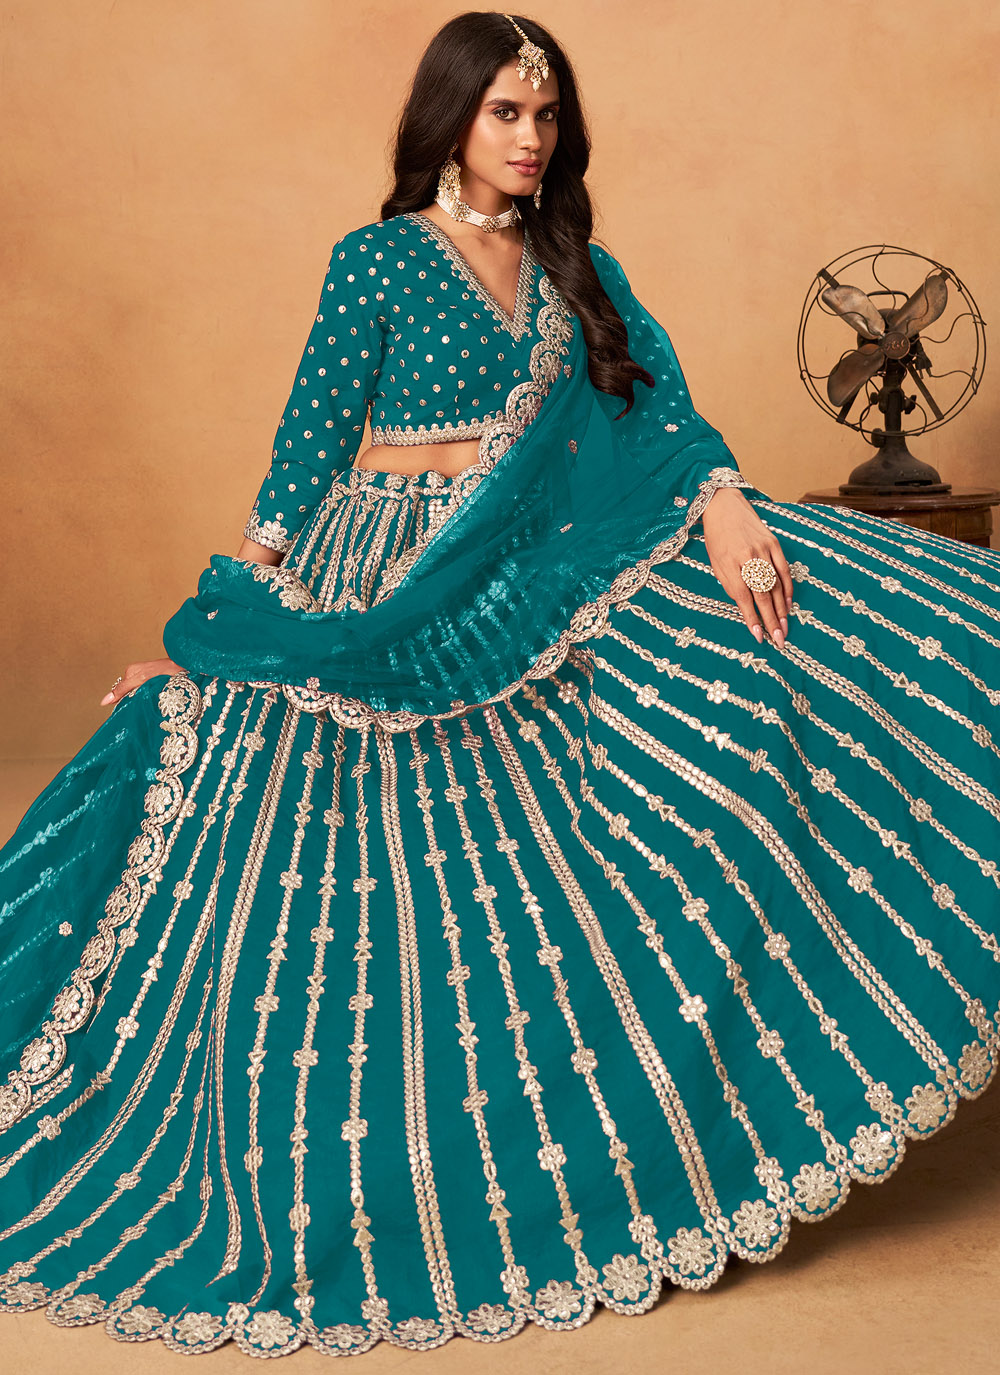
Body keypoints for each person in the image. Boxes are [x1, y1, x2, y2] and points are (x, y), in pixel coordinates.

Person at [1, 10, 998, 1360]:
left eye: (547, 115)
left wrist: (720, 504)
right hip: (387, 581)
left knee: (772, 668)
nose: (532, 139)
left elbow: (654, 407)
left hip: (539, 564)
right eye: (507, 114)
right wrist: (223, 626)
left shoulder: (577, 264)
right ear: (450, 119)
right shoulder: (375, 260)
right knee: (342, 876)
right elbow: (304, 456)